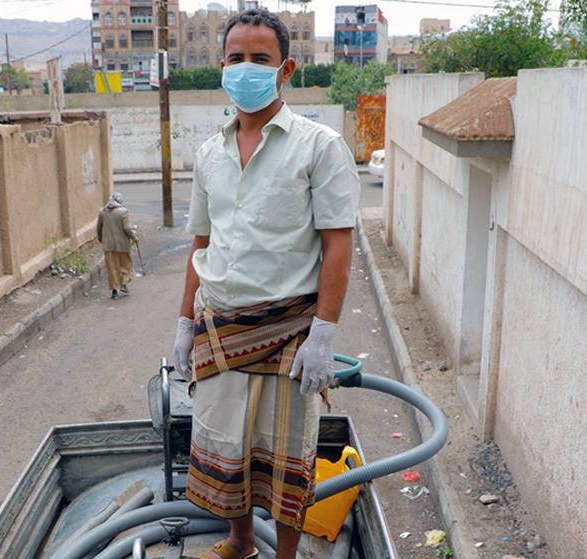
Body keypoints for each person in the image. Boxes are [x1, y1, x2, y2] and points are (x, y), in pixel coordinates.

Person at [170, 8, 360, 559]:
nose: (246, 69)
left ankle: (285, 555)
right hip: (220, 326)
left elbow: (338, 246)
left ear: (286, 69)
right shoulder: (209, 154)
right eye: (236, 58)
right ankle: (241, 542)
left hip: (289, 331)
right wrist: (185, 323)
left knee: (284, 459)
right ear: (221, 66)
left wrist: (323, 333)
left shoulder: (318, 147)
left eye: (260, 59)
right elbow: (200, 245)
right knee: (228, 448)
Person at [97, 192, 139, 299]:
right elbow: (127, 228)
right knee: (125, 265)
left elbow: (99, 227)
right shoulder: (123, 212)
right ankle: (123, 284)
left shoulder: (103, 212)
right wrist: (134, 237)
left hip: (108, 246)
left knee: (112, 267)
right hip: (122, 245)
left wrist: (101, 239)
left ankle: (115, 290)